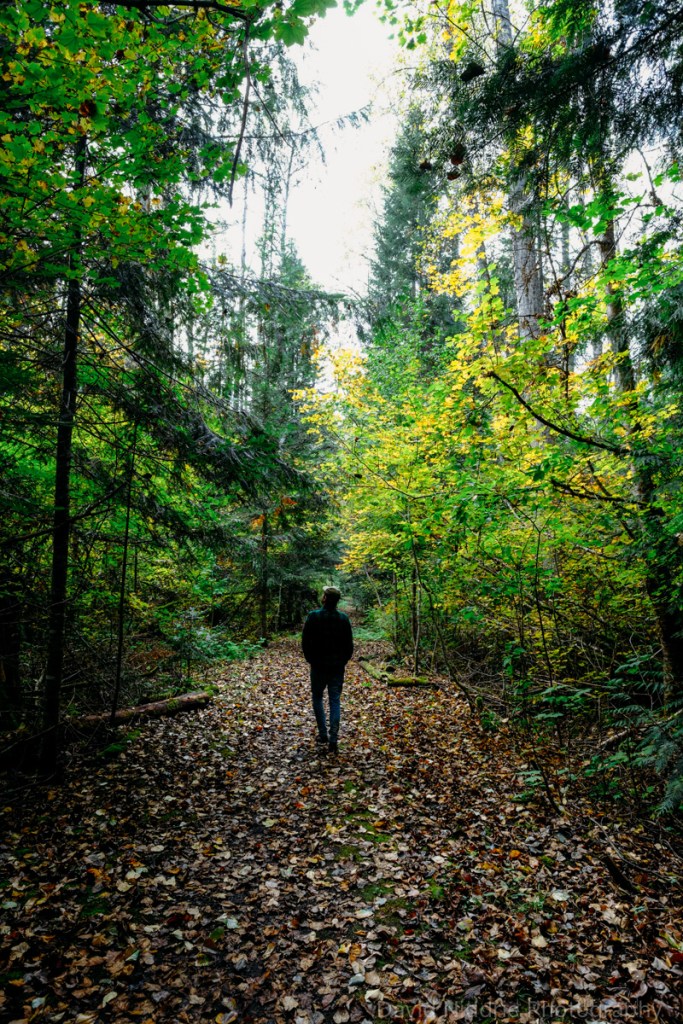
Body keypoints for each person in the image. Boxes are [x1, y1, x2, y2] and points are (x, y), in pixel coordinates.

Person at [301, 585, 353, 754]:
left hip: (318, 665)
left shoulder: (313, 616)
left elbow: (305, 641)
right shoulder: (343, 619)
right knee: (334, 700)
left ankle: (323, 734)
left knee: (317, 697)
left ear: (324, 598)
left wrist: (311, 659)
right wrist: (342, 661)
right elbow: (349, 646)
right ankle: (333, 739)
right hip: (336, 666)